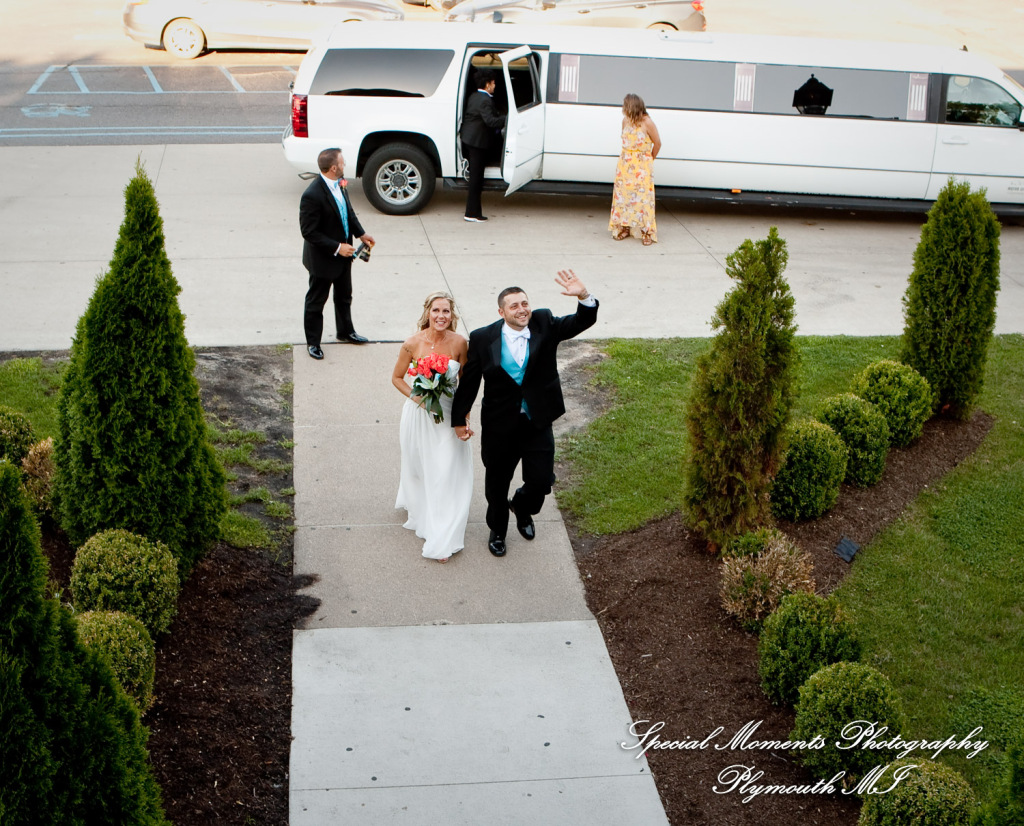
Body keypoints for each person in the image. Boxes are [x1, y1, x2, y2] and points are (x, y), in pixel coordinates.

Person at [452, 271, 598, 557]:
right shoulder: (482, 338)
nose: (522, 310)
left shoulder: (544, 323)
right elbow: (470, 383)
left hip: (537, 420)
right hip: (499, 426)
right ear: (501, 311)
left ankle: (521, 505)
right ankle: (498, 530)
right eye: (514, 306)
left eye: (524, 303)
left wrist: (583, 296)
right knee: (496, 484)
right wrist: (460, 419)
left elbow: (581, 321)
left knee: (542, 481)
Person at [393, 292, 474, 563]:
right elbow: (397, 378)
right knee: (421, 468)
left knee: (445, 469)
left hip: (449, 413)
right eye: (436, 310)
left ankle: (443, 534)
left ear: (453, 315)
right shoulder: (412, 343)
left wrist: (464, 417)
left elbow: (466, 383)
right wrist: (419, 400)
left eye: (446, 312)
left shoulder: (460, 343)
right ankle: (423, 510)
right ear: (428, 312)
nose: (441, 316)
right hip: (419, 414)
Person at [299, 147, 375, 360]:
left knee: (344, 296)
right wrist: (337, 247)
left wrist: (361, 234)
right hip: (323, 260)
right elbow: (309, 232)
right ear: (333, 168)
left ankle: (345, 331)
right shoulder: (311, 195)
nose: (344, 165)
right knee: (316, 301)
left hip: (345, 255)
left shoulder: (340, 185)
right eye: (342, 162)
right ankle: (313, 343)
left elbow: (347, 212)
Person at [609, 93, 661, 247]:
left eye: (625, 106)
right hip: (625, 165)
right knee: (623, 198)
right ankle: (625, 227)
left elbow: (657, 143)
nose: (623, 109)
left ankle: (646, 231)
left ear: (632, 107)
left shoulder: (647, 123)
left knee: (643, 200)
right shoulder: (625, 121)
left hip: (642, 165)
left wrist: (649, 159)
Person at [461, 69, 506, 223]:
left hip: (470, 139)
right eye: (493, 83)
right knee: (476, 179)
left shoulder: (475, 96)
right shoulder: (485, 100)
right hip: (477, 142)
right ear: (487, 84)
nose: (494, 86)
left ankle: (473, 212)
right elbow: (491, 121)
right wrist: (508, 118)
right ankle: (471, 213)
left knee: (476, 177)